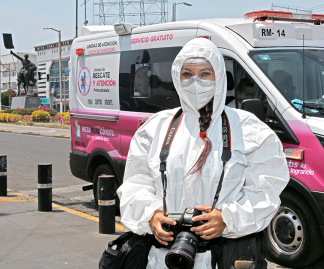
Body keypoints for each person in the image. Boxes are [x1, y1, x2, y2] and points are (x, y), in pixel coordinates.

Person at [117, 38, 289, 269]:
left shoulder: (251, 130)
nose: (195, 82)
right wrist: (151, 215)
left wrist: (227, 219)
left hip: (223, 258)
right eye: (187, 74)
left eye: (205, 73)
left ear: (219, 77)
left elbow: (266, 191)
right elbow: (135, 184)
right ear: (177, 78)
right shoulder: (155, 128)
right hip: (163, 258)